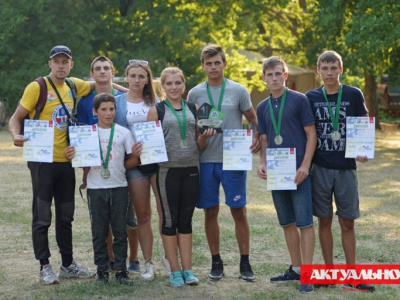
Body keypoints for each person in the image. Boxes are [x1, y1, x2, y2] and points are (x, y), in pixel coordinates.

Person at [8, 45, 95, 285]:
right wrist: (16, 135)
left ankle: (68, 264)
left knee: (66, 216)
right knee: (42, 216)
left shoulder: (74, 85)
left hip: (66, 162)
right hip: (42, 161)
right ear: (49, 64)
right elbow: (14, 119)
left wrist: (133, 90)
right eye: (56, 61)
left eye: (64, 61)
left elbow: (100, 81)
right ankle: (44, 265)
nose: (60, 65)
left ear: (71, 65)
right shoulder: (38, 87)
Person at [187, 44, 260, 281]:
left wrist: (256, 137)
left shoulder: (238, 90)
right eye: (208, 63)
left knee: (238, 211)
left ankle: (245, 263)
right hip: (206, 160)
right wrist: (200, 135)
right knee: (210, 211)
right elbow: (192, 128)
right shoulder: (195, 93)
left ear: (224, 64)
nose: (213, 67)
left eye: (217, 62)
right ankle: (216, 261)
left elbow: (253, 119)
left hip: (233, 160)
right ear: (203, 66)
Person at [305, 50, 375, 292]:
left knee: (347, 222)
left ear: (341, 69)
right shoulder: (311, 97)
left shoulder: (353, 94)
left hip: (346, 168)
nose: (329, 73)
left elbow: (364, 124)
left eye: (333, 68)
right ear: (318, 72)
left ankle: (352, 275)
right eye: (324, 68)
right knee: (323, 220)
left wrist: (364, 149)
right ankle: (328, 273)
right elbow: (305, 130)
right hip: (321, 167)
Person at [147, 67, 215, 286]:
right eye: (169, 84)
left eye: (178, 83)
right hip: (167, 172)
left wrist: (205, 135)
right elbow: (149, 146)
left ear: (184, 85)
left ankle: (188, 270)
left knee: (186, 221)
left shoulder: (195, 108)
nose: (174, 87)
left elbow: (200, 146)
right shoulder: (155, 110)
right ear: (162, 86)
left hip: (191, 170)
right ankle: (174, 271)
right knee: (169, 220)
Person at [256, 56, 316, 294]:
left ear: (285, 75)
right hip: (277, 173)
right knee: (287, 223)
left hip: (299, 173)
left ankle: (308, 275)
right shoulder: (262, 107)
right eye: (269, 75)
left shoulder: (299, 100)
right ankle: (297, 268)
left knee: (305, 223)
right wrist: (262, 163)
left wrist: (305, 166)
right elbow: (265, 138)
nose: (274, 78)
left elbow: (311, 134)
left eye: (278, 73)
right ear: (263, 78)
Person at [76, 55, 140, 273]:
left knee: (126, 220)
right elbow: (81, 139)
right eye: (98, 68)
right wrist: (83, 169)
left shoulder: (124, 97)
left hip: (121, 170)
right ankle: (108, 263)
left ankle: (132, 260)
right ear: (92, 74)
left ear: (113, 72)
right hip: (97, 177)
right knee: (102, 227)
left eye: (106, 68)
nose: (102, 72)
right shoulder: (85, 100)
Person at [65, 93, 136, 285]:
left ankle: (121, 270)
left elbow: (132, 160)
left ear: (116, 110)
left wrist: (135, 156)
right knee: (99, 232)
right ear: (95, 112)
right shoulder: (86, 134)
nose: (108, 113)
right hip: (96, 188)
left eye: (111, 109)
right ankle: (102, 270)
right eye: (103, 109)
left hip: (119, 186)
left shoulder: (123, 132)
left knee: (120, 231)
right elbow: (80, 161)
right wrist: (72, 154)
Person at [114, 60, 169, 281]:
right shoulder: (117, 103)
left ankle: (169, 256)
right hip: (134, 164)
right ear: (126, 77)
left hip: (158, 163)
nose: (137, 80)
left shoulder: (157, 102)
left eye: (141, 76)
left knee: (165, 212)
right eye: (133, 76)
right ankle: (148, 263)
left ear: (148, 79)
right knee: (143, 215)